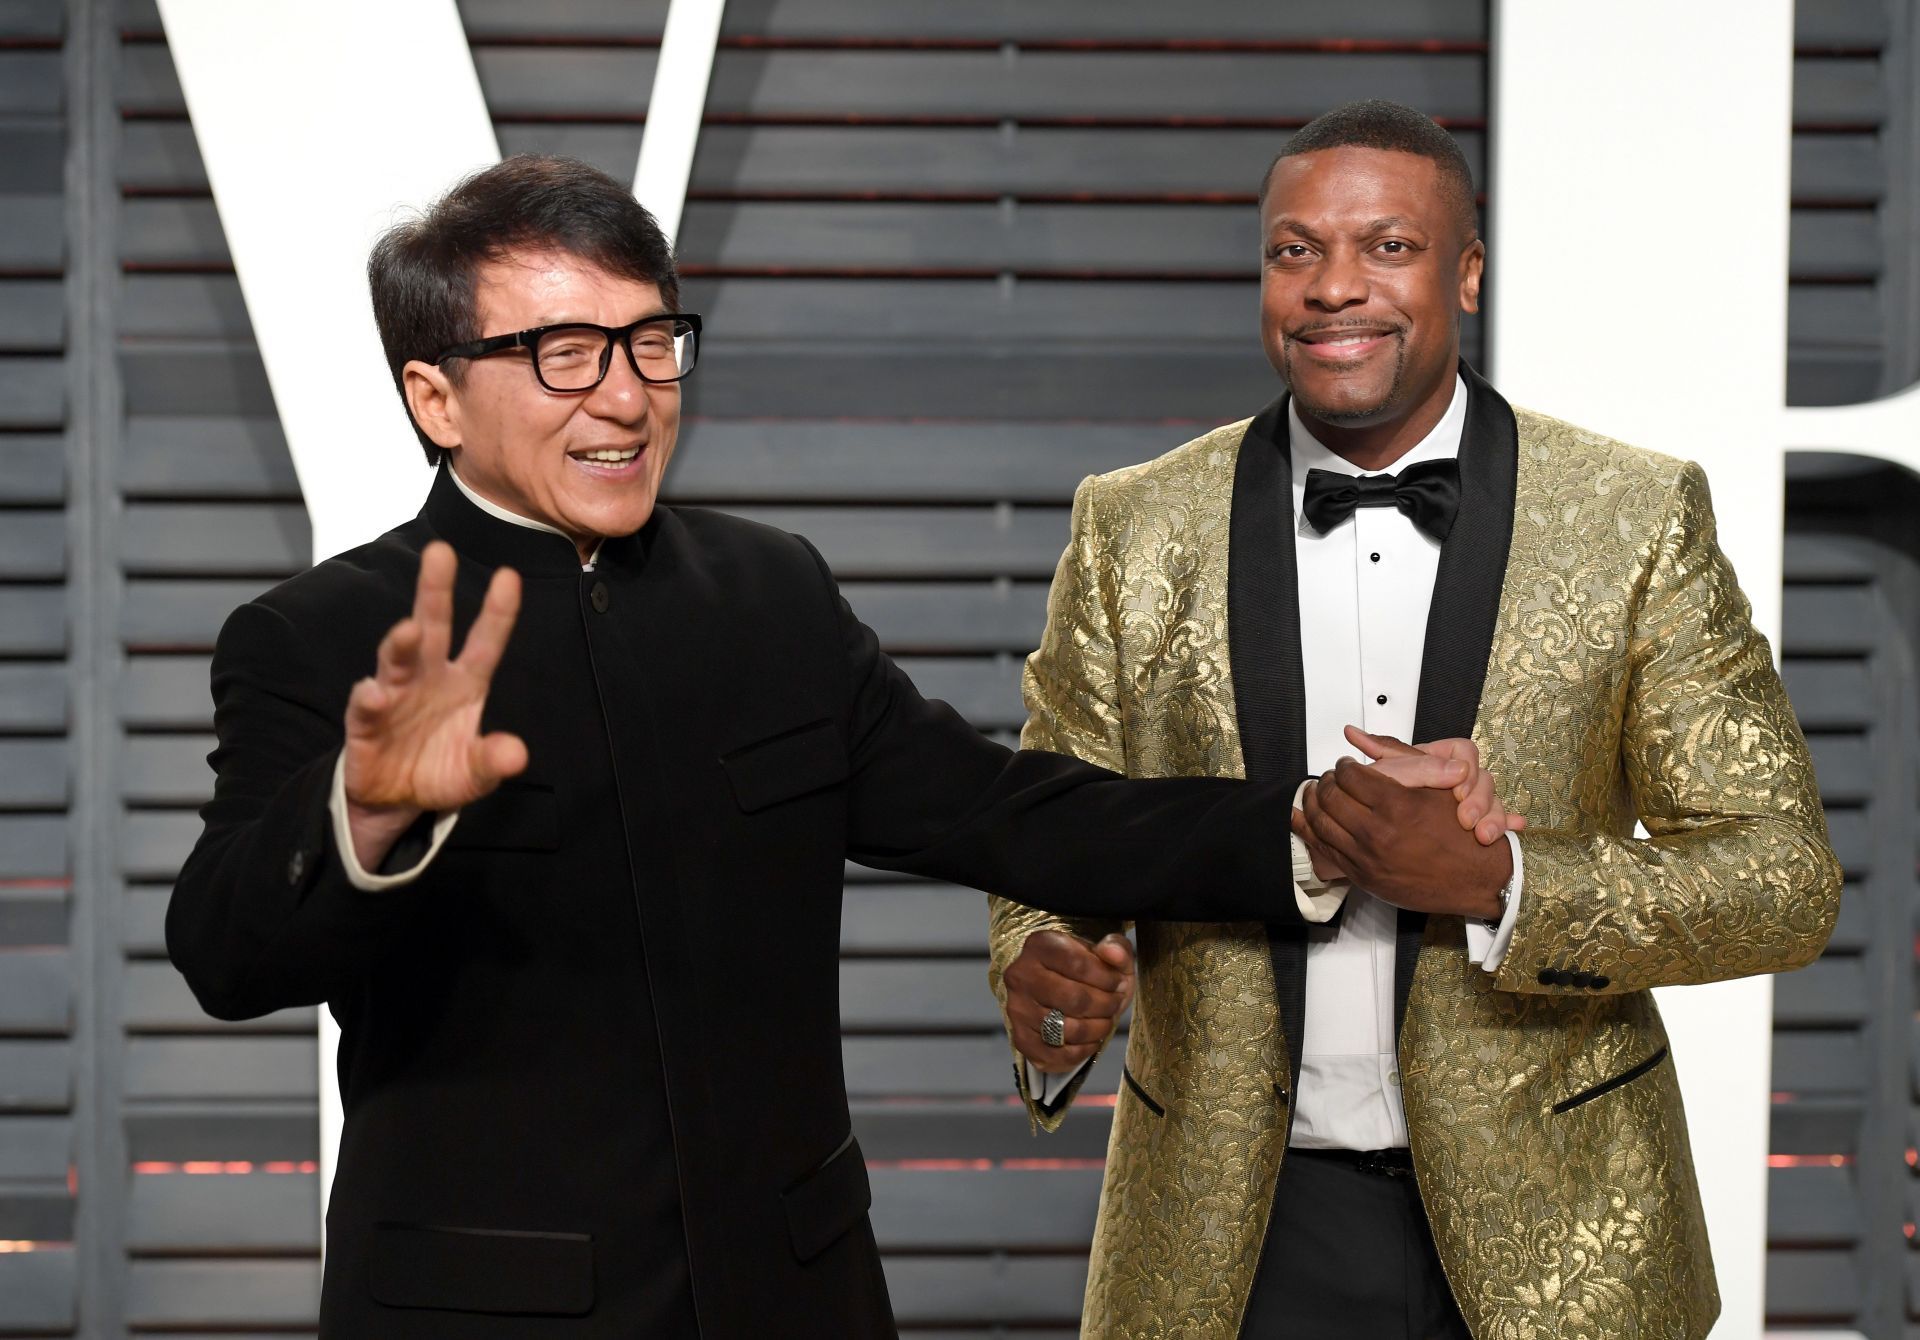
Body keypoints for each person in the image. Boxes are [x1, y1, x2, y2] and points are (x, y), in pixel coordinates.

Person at [163, 155, 1516, 1339]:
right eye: (565, 354)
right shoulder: (316, 634)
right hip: (478, 1310)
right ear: (436, 395)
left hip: (794, 1295)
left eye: (650, 343)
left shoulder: (771, 594)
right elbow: (225, 952)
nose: (627, 398)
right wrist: (367, 808)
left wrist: (1318, 822)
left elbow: (1002, 808)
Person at [989, 100, 1841, 1339]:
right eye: (1295, 251)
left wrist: (1502, 878)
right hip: (1227, 1239)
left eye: (1387, 246)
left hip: (1566, 1245)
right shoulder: (1132, 526)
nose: (1335, 287)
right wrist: (1042, 969)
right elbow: (1049, 828)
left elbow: (1783, 875)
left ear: (1469, 270)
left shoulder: (1634, 517)